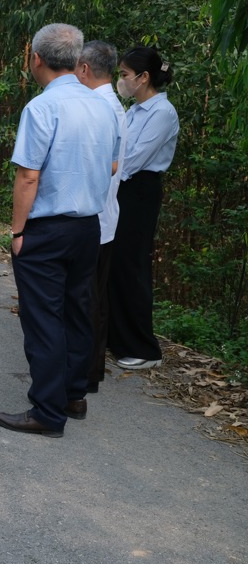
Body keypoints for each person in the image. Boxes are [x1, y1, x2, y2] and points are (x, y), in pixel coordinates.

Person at [0, 23, 119, 437]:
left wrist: (16, 231)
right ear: (78, 60)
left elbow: (28, 176)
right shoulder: (105, 106)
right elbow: (114, 164)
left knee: (44, 318)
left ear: (36, 58)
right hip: (88, 225)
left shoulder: (42, 108)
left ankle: (47, 412)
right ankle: (73, 395)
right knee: (76, 311)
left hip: (47, 228)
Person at [107, 47, 179, 370]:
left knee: (133, 264)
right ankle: (118, 338)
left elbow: (134, 160)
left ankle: (145, 348)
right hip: (121, 187)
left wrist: (108, 170)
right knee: (116, 262)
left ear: (143, 77)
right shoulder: (134, 110)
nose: (121, 81)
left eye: (123, 75)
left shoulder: (162, 113)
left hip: (140, 190)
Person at [75, 41, 127, 392]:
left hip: (94, 218)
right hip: (103, 217)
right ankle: (90, 372)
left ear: (83, 69)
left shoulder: (98, 108)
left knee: (87, 300)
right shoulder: (113, 106)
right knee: (96, 298)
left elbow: (103, 167)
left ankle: (85, 374)